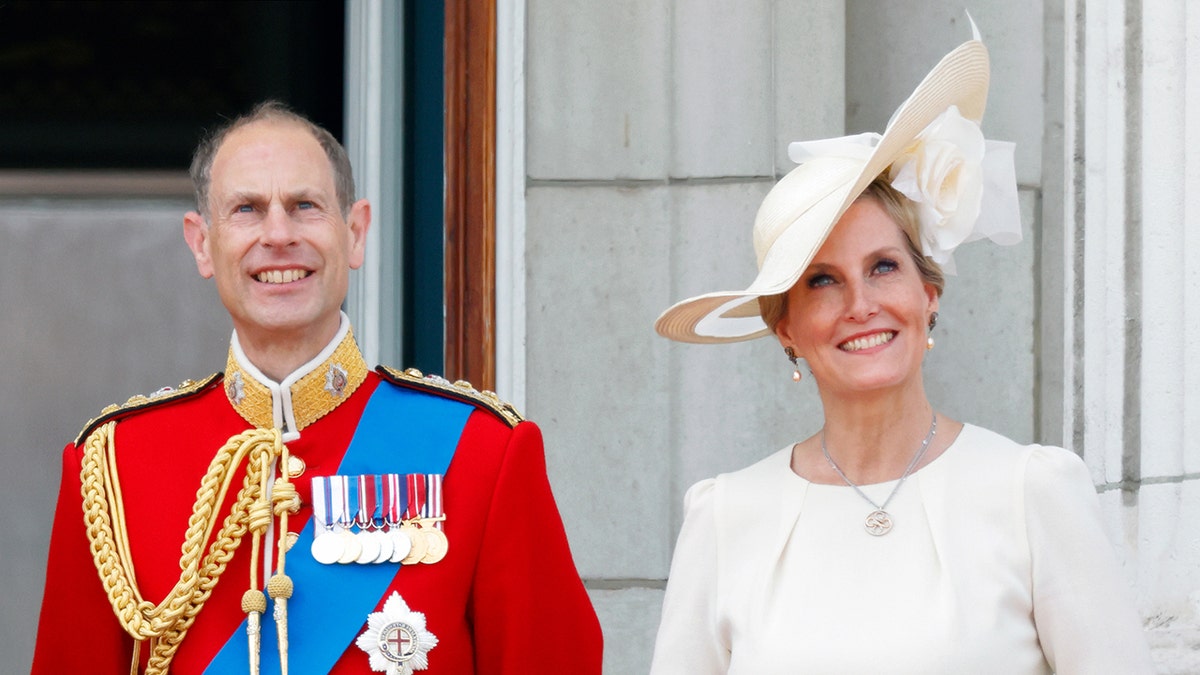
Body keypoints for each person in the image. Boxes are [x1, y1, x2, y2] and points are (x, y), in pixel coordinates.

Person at [32, 101, 602, 675]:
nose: (278, 235)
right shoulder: (114, 466)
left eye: (305, 206)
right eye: (247, 209)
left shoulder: (481, 452)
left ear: (355, 233)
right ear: (202, 244)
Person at [648, 32, 1156, 675]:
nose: (860, 304)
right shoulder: (726, 517)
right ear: (786, 329)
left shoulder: (1030, 493)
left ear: (929, 294)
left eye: (883, 267)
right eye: (822, 280)